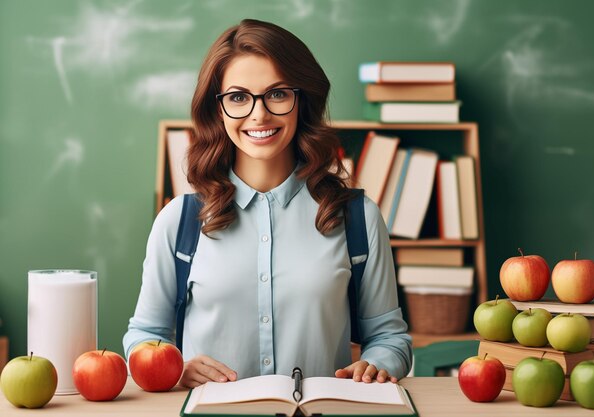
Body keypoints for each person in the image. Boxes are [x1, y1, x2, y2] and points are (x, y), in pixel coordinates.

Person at [123, 18, 412, 388]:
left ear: (301, 100)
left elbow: (391, 338)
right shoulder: (178, 221)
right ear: (218, 109)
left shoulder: (358, 218)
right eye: (239, 97)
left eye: (277, 93)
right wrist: (176, 367)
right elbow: (144, 335)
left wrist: (376, 364)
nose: (259, 114)